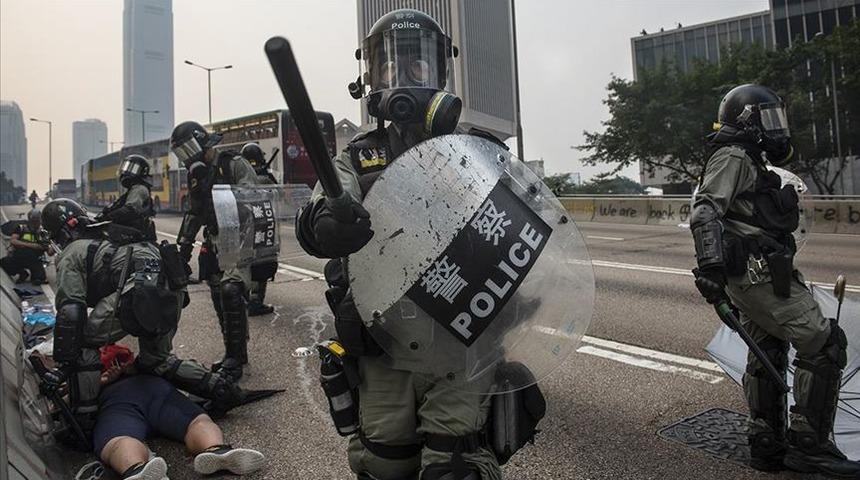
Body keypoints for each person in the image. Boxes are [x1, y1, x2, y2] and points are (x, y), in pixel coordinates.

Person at [296, 9, 502, 479]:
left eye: (418, 65)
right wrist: (328, 223)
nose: (404, 76)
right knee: (384, 464)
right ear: (370, 77)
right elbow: (319, 212)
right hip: (381, 336)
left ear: (441, 74)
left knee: (456, 464)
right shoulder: (354, 156)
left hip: (461, 337)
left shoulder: (477, 151)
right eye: (391, 65)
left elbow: (523, 224)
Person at [691, 84, 859, 478]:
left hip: (758, 274)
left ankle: (766, 442)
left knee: (769, 345)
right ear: (747, 120)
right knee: (824, 343)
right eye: (768, 118)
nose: (776, 127)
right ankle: (809, 446)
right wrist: (711, 269)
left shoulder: (749, 158)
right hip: (758, 275)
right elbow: (704, 211)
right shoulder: (732, 155)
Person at [41, 198, 244, 437]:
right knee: (156, 360)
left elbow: (71, 312)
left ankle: (83, 421)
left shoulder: (71, 253)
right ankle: (222, 390)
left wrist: (63, 364)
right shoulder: (110, 233)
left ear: (61, 232)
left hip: (138, 290)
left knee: (84, 343)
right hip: (170, 286)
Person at [92, 344, 265, 479]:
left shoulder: (80, 359)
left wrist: (99, 382)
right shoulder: (119, 349)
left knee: (118, 441)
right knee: (196, 422)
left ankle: (136, 468)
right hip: (151, 387)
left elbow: (71, 397)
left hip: (114, 400)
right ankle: (216, 449)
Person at [171, 122, 259, 382]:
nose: (187, 159)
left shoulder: (233, 164)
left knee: (232, 290)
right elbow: (194, 212)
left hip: (239, 237)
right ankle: (235, 350)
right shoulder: (197, 174)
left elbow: (253, 198)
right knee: (217, 291)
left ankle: (234, 360)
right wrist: (183, 250)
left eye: (187, 151)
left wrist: (224, 197)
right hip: (214, 239)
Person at [240, 142, 277, 317]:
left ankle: (245, 298)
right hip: (261, 224)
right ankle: (255, 301)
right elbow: (279, 195)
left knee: (247, 263)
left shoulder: (239, 176)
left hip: (244, 228)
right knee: (262, 262)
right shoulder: (263, 178)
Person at [95, 154, 157, 241]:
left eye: (134, 169)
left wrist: (108, 217)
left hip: (133, 233)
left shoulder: (139, 189)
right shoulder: (133, 189)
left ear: (142, 173)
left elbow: (130, 209)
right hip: (130, 231)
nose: (127, 171)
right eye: (127, 167)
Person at [1, 208, 51, 284]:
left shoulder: (43, 232)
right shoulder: (21, 228)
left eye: (37, 220)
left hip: (35, 260)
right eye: (34, 220)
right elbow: (13, 240)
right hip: (18, 257)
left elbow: (49, 251)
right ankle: (22, 273)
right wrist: (31, 245)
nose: (36, 223)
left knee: (39, 279)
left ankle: (36, 275)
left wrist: (54, 247)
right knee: (4, 263)